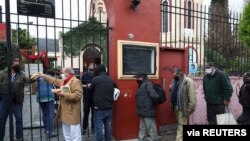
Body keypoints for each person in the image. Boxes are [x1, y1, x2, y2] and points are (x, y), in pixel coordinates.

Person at [34, 67, 83, 141]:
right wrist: (44, 76)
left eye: (63, 73)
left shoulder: (76, 81)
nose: (62, 74)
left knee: (75, 134)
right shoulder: (65, 80)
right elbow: (54, 80)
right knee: (67, 134)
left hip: (72, 111)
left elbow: (78, 96)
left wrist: (63, 94)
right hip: (65, 111)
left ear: (68, 73)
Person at [0, 64, 29, 141]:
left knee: (19, 119)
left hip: (17, 100)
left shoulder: (21, 75)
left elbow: (28, 80)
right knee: (2, 119)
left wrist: (37, 76)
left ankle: (19, 137)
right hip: (5, 99)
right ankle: (1, 137)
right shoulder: (4, 73)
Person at [89, 64, 116, 141]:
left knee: (99, 127)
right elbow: (116, 90)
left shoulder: (95, 79)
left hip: (98, 107)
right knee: (108, 126)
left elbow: (91, 92)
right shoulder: (111, 80)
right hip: (109, 106)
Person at [169, 68, 196, 141]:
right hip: (175, 107)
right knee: (180, 123)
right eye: (173, 75)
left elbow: (192, 95)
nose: (173, 76)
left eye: (175, 75)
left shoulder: (188, 81)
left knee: (181, 125)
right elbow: (174, 91)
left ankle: (178, 139)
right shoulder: (174, 81)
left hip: (183, 107)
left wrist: (191, 107)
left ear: (180, 74)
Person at [134, 72, 159, 141]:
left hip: (147, 111)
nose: (136, 79)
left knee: (151, 129)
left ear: (142, 77)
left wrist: (150, 106)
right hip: (143, 111)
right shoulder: (142, 84)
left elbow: (155, 96)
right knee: (142, 128)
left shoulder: (148, 84)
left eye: (137, 77)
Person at [35, 70, 56, 137]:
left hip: (40, 97)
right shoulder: (51, 78)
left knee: (44, 113)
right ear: (52, 75)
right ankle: (51, 131)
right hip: (49, 96)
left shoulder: (39, 78)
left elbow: (37, 88)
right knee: (51, 113)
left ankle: (46, 130)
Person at [81, 63, 95, 135]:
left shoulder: (96, 75)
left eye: (93, 66)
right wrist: (87, 86)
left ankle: (92, 128)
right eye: (91, 66)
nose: (92, 68)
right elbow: (81, 84)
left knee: (93, 113)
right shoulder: (84, 74)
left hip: (93, 97)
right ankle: (84, 128)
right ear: (89, 67)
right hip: (87, 96)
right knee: (86, 113)